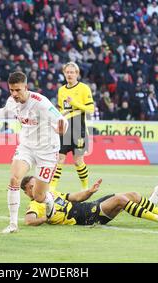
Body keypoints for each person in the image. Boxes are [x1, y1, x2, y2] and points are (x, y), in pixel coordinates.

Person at [0, 71, 68, 234]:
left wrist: (62, 130)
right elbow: (3, 112)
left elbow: (62, 120)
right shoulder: (12, 101)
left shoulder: (41, 102)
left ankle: (49, 201)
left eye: (18, 90)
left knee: (38, 197)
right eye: (11, 90)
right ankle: (13, 224)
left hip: (47, 152)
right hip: (26, 147)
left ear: (26, 87)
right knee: (14, 179)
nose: (14, 94)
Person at [21, 177, 158, 227]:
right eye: (32, 187)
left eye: (37, 184)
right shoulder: (35, 204)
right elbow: (28, 221)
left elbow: (75, 197)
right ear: (27, 191)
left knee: (133, 195)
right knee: (121, 200)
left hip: (86, 207)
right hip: (84, 218)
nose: (37, 188)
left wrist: (89, 191)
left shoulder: (51, 193)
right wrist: (46, 218)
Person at [50, 62, 94, 191]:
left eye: (72, 72)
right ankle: (52, 188)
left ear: (77, 74)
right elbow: (61, 109)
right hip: (65, 129)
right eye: (67, 72)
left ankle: (85, 187)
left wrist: (74, 103)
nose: (69, 74)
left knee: (78, 160)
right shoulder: (61, 90)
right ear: (64, 73)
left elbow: (91, 109)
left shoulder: (84, 88)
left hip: (78, 128)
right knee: (59, 158)